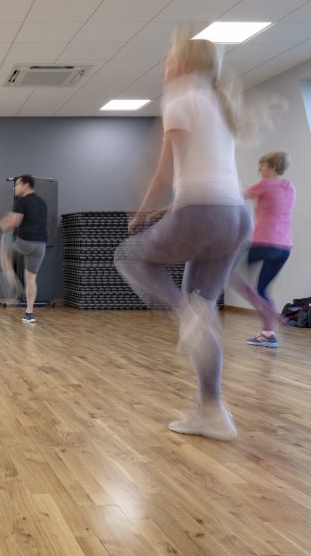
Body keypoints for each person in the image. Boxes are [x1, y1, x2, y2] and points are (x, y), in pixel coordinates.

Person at [114, 29, 252, 441]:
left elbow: (163, 172)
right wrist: (168, 209)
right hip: (235, 217)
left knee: (129, 256)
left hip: (203, 211)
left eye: (170, 58)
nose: (165, 66)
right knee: (203, 309)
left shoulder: (179, 99)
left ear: (187, 63)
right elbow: (208, 174)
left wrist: (141, 212)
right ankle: (212, 411)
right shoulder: (220, 104)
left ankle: (184, 312)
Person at [230, 151, 295, 348]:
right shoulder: (289, 187)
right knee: (262, 289)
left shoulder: (266, 184)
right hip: (284, 248)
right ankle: (268, 334)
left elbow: (237, 195)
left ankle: (270, 313)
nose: (259, 169)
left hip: (264, 243)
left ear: (273, 167)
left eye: (263, 165)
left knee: (229, 272)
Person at [0, 174, 48, 324]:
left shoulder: (22, 201)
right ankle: (29, 313)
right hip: (40, 246)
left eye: (17, 185)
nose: (15, 188)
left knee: (5, 242)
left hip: (25, 242)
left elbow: (13, 222)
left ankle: (12, 282)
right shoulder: (42, 202)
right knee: (31, 279)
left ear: (25, 185)